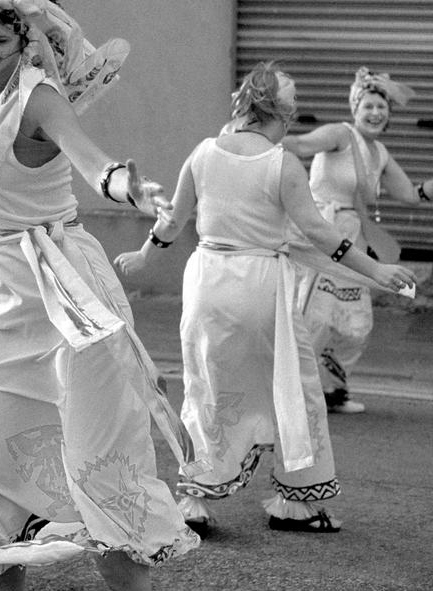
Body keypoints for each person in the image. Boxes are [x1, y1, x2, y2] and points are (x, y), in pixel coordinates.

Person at [0, 0, 199, 591]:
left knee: (98, 469)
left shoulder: (37, 95)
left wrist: (128, 187)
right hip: (5, 312)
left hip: (66, 304)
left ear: (25, 40)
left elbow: (89, 157)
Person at [115, 61, 417, 535]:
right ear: (280, 112)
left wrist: (143, 254)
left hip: (208, 282)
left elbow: (174, 222)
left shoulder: (204, 152)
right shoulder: (281, 164)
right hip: (261, 285)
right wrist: (376, 268)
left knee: (206, 388)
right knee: (294, 388)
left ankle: (193, 501)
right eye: (292, 108)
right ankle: (297, 503)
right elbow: (320, 234)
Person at [282, 67, 433, 413]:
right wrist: (255, 140)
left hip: (352, 243)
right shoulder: (339, 135)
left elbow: (412, 195)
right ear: (355, 109)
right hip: (321, 234)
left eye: (382, 108)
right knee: (313, 317)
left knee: (354, 325)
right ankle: (293, 394)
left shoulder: (379, 154)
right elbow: (299, 145)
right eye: (369, 106)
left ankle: (330, 390)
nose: (376, 113)